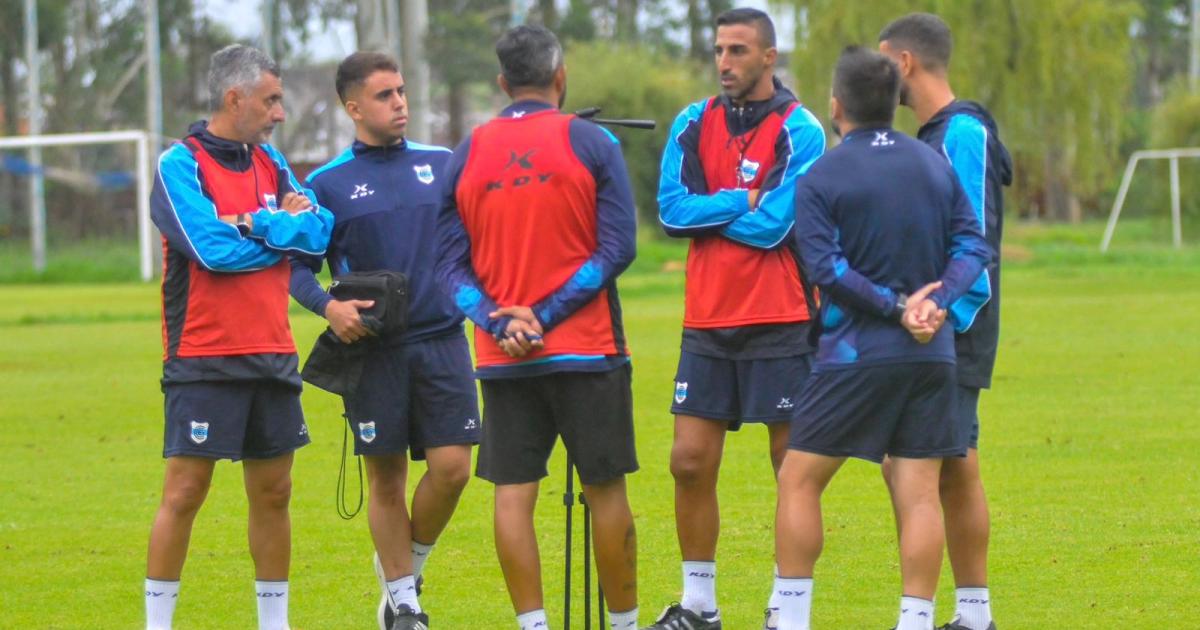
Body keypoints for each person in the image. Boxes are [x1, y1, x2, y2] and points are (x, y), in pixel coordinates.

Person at [773, 46, 992, 630]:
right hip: (932, 354)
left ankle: (789, 618)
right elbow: (975, 247)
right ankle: (915, 621)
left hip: (853, 359)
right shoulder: (932, 163)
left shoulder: (821, 175)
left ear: (836, 104)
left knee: (799, 479)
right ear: (894, 102)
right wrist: (935, 302)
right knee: (919, 491)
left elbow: (826, 269)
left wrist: (897, 308)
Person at [436, 24, 640, 630]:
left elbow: (447, 267)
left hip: (503, 359)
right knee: (606, 490)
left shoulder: (465, 152)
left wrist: (499, 322)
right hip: (588, 352)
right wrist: (544, 316)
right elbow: (618, 248)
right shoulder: (592, 140)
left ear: (502, 83)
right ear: (561, 76)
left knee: (512, 494)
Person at [144, 44, 334, 630]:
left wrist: (256, 221)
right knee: (185, 493)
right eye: (272, 99)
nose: (280, 112)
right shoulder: (179, 165)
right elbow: (210, 250)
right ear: (236, 97)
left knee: (275, 493)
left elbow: (320, 235)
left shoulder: (272, 163)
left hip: (274, 353)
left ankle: (273, 625)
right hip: (203, 357)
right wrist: (283, 227)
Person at [290, 51, 479, 630]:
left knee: (453, 470)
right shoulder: (324, 184)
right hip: (374, 352)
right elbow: (295, 268)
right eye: (384, 95)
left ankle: (405, 569)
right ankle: (405, 606)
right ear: (353, 108)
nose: (400, 102)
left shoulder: (444, 163)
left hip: (444, 340)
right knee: (387, 477)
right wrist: (328, 305)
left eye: (400, 91)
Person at [649, 8, 825, 630]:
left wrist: (718, 209)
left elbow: (778, 223)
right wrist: (739, 199)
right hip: (707, 320)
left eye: (739, 51)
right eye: (720, 50)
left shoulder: (801, 130)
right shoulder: (692, 123)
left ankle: (787, 610)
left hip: (781, 317)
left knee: (792, 470)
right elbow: (669, 212)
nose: (725, 62)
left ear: (770, 57)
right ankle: (700, 606)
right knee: (689, 462)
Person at [879, 14, 1013, 630]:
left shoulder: (962, 131)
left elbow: (975, 242)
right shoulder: (927, 136)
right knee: (955, 466)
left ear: (904, 63)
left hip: (950, 327)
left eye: (884, 63)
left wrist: (944, 314)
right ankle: (974, 615)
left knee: (917, 468)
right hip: (924, 326)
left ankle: (924, 615)